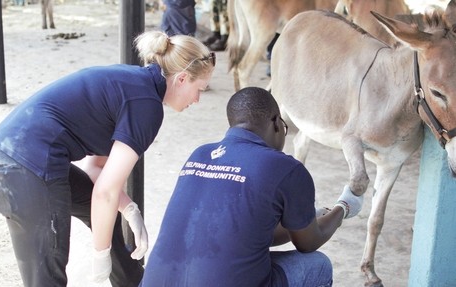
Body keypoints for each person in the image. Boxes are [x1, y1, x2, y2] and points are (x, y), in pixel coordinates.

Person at [0, 30, 216, 287]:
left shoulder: (135, 83)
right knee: (47, 273)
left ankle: (132, 282)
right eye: (200, 90)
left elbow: (96, 170)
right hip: (26, 162)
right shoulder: (146, 106)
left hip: (17, 152)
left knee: (94, 209)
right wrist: (100, 254)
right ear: (182, 78)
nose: (197, 100)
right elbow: (105, 192)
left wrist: (129, 209)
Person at [139, 87, 364, 287]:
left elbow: (252, 232)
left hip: (156, 280)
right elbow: (308, 242)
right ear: (277, 123)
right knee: (318, 265)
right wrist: (342, 208)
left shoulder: (199, 154)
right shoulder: (287, 169)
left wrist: (309, 217)